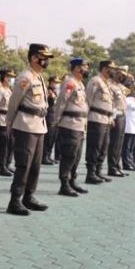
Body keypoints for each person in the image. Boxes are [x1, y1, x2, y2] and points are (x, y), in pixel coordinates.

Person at [4, 44, 53, 215]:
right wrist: (9, 123)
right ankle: (15, 201)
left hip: (39, 125)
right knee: (23, 165)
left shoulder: (39, 77)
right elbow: (14, 102)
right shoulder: (25, 77)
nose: (46, 61)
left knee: (35, 166)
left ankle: (29, 197)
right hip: (25, 125)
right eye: (43, 57)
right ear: (33, 58)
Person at [52, 57, 90, 197]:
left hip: (79, 125)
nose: (86, 70)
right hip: (70, 124)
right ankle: (64, 184)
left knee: (77, 155)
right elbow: (62, 101)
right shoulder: (70, 82)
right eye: (84, 67)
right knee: (69, 155)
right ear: (76, 68)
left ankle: (72, 181)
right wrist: (57, 120)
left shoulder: (80, 84)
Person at [84, 60, 117, 185]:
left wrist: (111, 118)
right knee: (94, 146)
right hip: (96, 118)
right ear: (104, 68)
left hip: (106, 119)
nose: (113, 71)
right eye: (111, 68)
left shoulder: (106, 83)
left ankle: (98, 171)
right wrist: (85, 119)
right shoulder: (95, 81)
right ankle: (90, 174)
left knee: (103, 147)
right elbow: (87, 100)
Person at [106, 66, 129, 178]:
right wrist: (111, 117)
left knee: (119, 143)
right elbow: (109, 102)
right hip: (115, 116)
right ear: (115, 73)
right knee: (114, 144)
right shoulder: (110, 85)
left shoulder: (120, 86)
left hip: (123, 115)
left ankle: (117, 166)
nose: (123, 77)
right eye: (121, 74)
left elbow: (134, 90)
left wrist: (132, 79)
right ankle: (112, 168)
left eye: (124, 75)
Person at [122, 82, 135, 169]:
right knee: (127, 147)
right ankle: (126, 163)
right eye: (133, 89)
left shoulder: (134, 100)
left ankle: (131, 161)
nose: (134, 90)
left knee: (132, 147)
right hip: (128, 127)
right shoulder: (126, 100)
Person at [42, 75, 59, 164]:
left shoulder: (55, 92)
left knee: (52, 138)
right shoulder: (48, 91)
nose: (56, 84)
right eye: (55, 83)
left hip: (54, 116)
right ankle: (44, 156)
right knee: (48, 137)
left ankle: (48, 155)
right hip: (49, 116)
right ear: (51, 82)